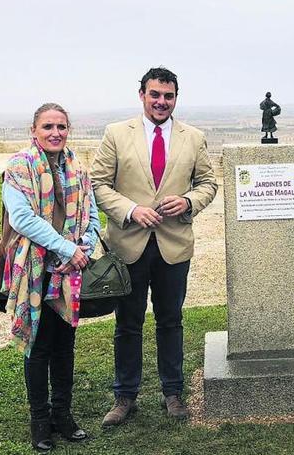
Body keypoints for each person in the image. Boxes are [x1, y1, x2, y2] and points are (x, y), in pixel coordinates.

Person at [90, 67, 217, 426]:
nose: (162, 102)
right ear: (142, 94)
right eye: (155, 95)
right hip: (127, 246)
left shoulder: (194, 137)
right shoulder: (116, 134)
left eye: (169, 96)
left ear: (176, 98)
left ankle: (172, 393)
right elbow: (99, 184)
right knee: (127, 323)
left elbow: (208, 182)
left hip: (173, 247)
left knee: (171, 320)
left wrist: (189, 202)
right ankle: (125, 396)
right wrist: (130, 209)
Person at [0, 102, 100, 451]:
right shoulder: (19, 167)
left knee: (65, 346)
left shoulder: (78, 168)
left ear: (69, 130)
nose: (55, 133)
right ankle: (40, 420)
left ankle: (63, 415)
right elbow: (22, 219)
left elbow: (92, 214)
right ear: (34, 129)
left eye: (62, 127)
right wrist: (68, 249)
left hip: (69, 273)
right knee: (38, 348)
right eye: (48, 126)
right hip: (36, 269)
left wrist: (83, 247)